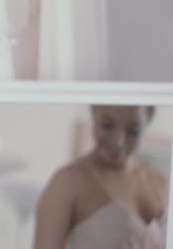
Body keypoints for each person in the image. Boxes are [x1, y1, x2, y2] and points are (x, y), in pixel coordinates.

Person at [34, 105, 168, 249]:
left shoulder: (161, 182)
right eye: (108, 126)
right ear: (93, 113)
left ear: (146, 125)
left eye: (133, 131)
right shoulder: (67, 182)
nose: (119, 142)